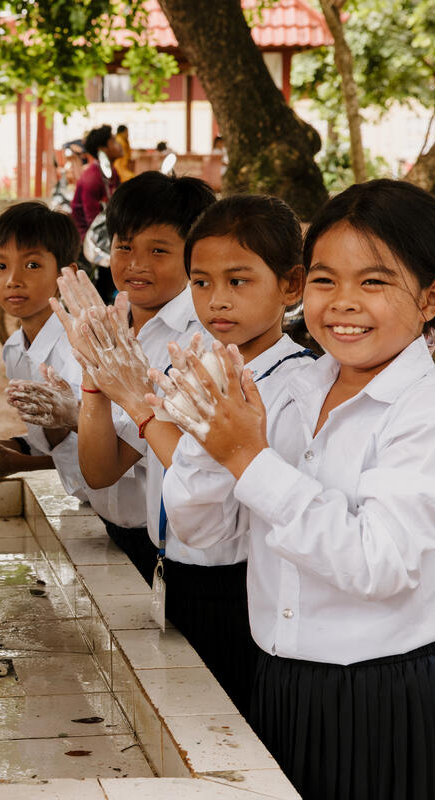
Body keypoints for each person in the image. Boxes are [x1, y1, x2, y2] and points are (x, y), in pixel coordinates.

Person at [161, 180, 435, 800]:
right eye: (325, 280)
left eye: (373, 282)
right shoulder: (291, 390)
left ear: (430, 298)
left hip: (380, 698)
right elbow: (206, 532)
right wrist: (208, 437)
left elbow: (379, 562)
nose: (343, 303)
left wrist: (248, 456)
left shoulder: (428, 412)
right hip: (279, 679)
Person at [56, 195, 310, 713]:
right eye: (202, 282)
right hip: (172, 571)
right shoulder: (192, 367)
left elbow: (216, 490)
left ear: (291, 285)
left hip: (237, 590)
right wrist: (95, 379)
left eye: (238, 282)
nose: (216, 301)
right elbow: (102, 471)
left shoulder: (297, 383)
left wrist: (137, 403)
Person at [53, 171, 215, 583]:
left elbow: (103, 469)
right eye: (124, 247)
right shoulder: (111, 322)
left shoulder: (195, 342)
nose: (136, 264)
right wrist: (92, 378)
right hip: (112, 526)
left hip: (171, 547)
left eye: (158, 250)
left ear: (195, 255)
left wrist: (100, 381)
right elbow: (95, 471)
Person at [0, 202, 80, 477]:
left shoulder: (79, 350)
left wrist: (17, 465)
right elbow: (48, 446)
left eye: (32, 265)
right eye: (1, 265)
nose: (13, 280)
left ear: (64, 275)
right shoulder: (14, 348)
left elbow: (102, 453)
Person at [71, 124, 122, 239]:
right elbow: (92, 221)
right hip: (87, 242)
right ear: (102, 149)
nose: (119, 145)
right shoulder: (92, 178)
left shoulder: (112, 172)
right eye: (113, 141)